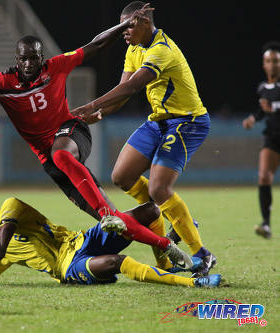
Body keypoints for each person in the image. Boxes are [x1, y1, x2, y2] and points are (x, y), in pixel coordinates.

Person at [0, 5, 192, 269]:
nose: (30, 64)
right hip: (49, 161)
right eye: (25, 59)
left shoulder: (56, 65)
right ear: (17, 59)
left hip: (72, 132)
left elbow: (96, 45)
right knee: (114, 225)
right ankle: (167, 246)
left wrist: (124, 26)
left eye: (35, 58)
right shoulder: (1, 83)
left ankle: (106, 212)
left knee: (63, 154)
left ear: (43, 57)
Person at [71, 1, 215, 276]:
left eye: (129, 26)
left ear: (146, 23)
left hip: (188, 122)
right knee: (121, 177)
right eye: (122, 26)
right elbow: (123, 92)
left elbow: (134, 85)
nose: (123, 31)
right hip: (159, 122)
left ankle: (202, 255)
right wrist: (100, 112)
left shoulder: (162, 50)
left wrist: (90, 105)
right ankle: (174, 218)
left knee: (159, 189)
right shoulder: (134, 48)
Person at [0, 192, 221, 288]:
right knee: (114, 263)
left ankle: (165, 259)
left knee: (150, 210)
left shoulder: (10, 206)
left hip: (82, 238)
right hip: (69, 267)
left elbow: (0, 249)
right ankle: (192, 283)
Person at [243, 41, 280, 239]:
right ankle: (266, 224)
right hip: (272, 137)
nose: (273, 64)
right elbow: (262, 110)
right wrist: (253, 119)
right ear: (264, 64)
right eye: (269, 61)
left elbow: (271, 107)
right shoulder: (262, 88)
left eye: (276, 61)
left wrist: (273, 109)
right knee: (264, 176)